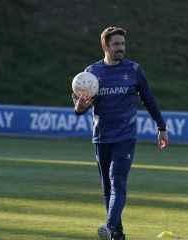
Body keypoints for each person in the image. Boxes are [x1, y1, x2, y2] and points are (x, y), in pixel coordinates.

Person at [72, 26, 169, 240]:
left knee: (117, 182)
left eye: (122, 44)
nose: (121, 48)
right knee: (107, 188)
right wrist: (80, 106)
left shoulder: (134, 70)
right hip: (101, 138)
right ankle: (117, 234)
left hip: (125, 137)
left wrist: (161, 127)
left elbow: (149, 99)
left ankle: (108, 227)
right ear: (105, 46)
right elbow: (79, 110)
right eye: (116, 44)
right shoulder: (90, 74)